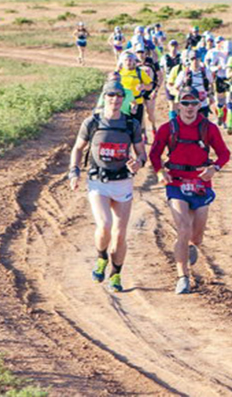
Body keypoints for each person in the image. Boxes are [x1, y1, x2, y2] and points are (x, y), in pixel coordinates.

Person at [149, 86, 230, 294]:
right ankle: (182, 277)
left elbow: (224, 154)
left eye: (194, 103)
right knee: (183, 229)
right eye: (185, 103)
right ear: (178, 106)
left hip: (201, 185)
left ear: (199, 105)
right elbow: (155, 154)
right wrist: (160, 172)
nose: (190, 108)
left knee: (197, 236)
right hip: (176, 183)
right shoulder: (168, 128)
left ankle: (190, 246)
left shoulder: (208, 128)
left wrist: (214, 168)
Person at [69, 79, 148, 293]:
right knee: (104, 225)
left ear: (123, 100)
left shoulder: (131, 124)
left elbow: (142, 153)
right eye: (111, 96)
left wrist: (138, 162)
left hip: (122, 182)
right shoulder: (92, 122)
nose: (114, 100)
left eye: (119, 97)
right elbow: (78, 148)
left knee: (120, 234)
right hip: (98, 182)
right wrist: (74, 171)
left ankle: (115, 274)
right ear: (104, 98)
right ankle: (101, 257)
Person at [118, 51, 153, 140]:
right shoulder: (119, 73)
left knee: (136, 127)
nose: (128, 62)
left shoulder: (139, 72)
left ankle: (137, 147)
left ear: (134, 61)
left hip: (137, 103)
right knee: (122, 128)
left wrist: (143, 86)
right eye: (126, 60)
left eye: (130, 60)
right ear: (122, 61)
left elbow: (150, 86)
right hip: (123, 104)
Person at [135, 43, 163, 142]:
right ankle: (144, 134)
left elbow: (160, 77)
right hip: (138, 91)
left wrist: (156, 90)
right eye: (138, 52)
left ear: (146, 52)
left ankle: (154, 128)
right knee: (141, 113)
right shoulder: (134, 63)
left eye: (142, 52)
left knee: (150, 113)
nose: (140, 54)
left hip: (150, 91)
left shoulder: (151, 62)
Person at [174, 50, 214, 118]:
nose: (195, 61)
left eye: (197, 59)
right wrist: (183, 95)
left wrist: (209, 94)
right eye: (193, 59)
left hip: (202, 104)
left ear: (200, 59)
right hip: (189, 106)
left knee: (203, 125)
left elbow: (211, 84)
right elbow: (176, 87)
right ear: (189, 60)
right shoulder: (184, 73)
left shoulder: (206, 72)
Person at [205, 36, 229, 128]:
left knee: (228, 101)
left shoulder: (228, 52)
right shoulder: (212, 52)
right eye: (218, 42)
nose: (220, 44)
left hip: (228, 77)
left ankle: (225, 120)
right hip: (217, 77)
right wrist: (216, 68)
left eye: (221, 42)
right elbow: (208, 66)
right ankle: (219, 115)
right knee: (218, 100)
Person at [160, 39, 182, 120]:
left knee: (179, 104)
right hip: (169, 82)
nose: (174, 48)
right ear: (168, 47)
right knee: (172, 104)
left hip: (179, 83)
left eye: (175, 46)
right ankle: (173, 123)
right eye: (172, 46)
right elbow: (162, 71)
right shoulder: (164, 58)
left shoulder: (181, 57)